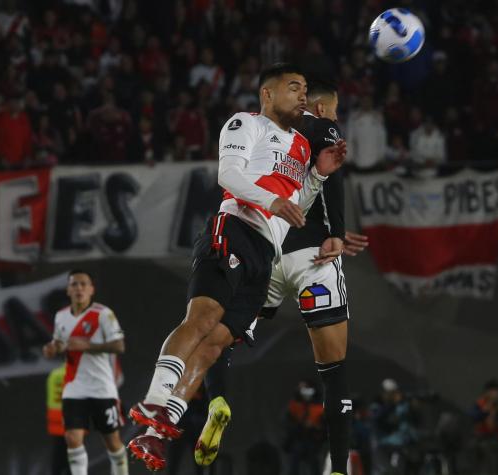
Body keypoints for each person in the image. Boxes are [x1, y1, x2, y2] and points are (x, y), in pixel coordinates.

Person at [126, 63, 347, 471]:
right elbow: (228, 174)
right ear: (267, 94)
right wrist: (270, 200)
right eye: (293, 87)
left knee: (216, 345)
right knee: (203, 318)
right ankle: (154, 403)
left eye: (304, 89)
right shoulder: (246, 123)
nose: (302, 96)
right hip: (235, 228)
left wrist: (317, 175)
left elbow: (296, 208)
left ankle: (158, 432)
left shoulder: (300, 145)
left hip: (267, 254)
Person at [191, 80, 368, 474]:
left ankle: (217, 400)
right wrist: (336, 232)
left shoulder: (256, 128)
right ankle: (338, 469)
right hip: (314, 257)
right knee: (334, 368)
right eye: (335, 112)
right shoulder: (321, 127)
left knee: (223, 337)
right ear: (322, 108)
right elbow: (331, 175)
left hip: (265, 253)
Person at [42, 270, 128, 475]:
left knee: (112, 441)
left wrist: (88, 345)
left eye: (83, 284)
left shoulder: (103, 314)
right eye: (74, 284)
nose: (79, 288)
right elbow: (61, 344)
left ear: (91, 289)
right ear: (68, 290)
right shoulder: (61, 316)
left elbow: (119, 346)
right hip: (74, 386)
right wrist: (52, 349)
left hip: (101, 387)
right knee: (72, 438)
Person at [46, 363, 68, 475]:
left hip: (55, 417)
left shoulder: (54, 374)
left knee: (58, 453)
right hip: (71, 418)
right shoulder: (75, 375)